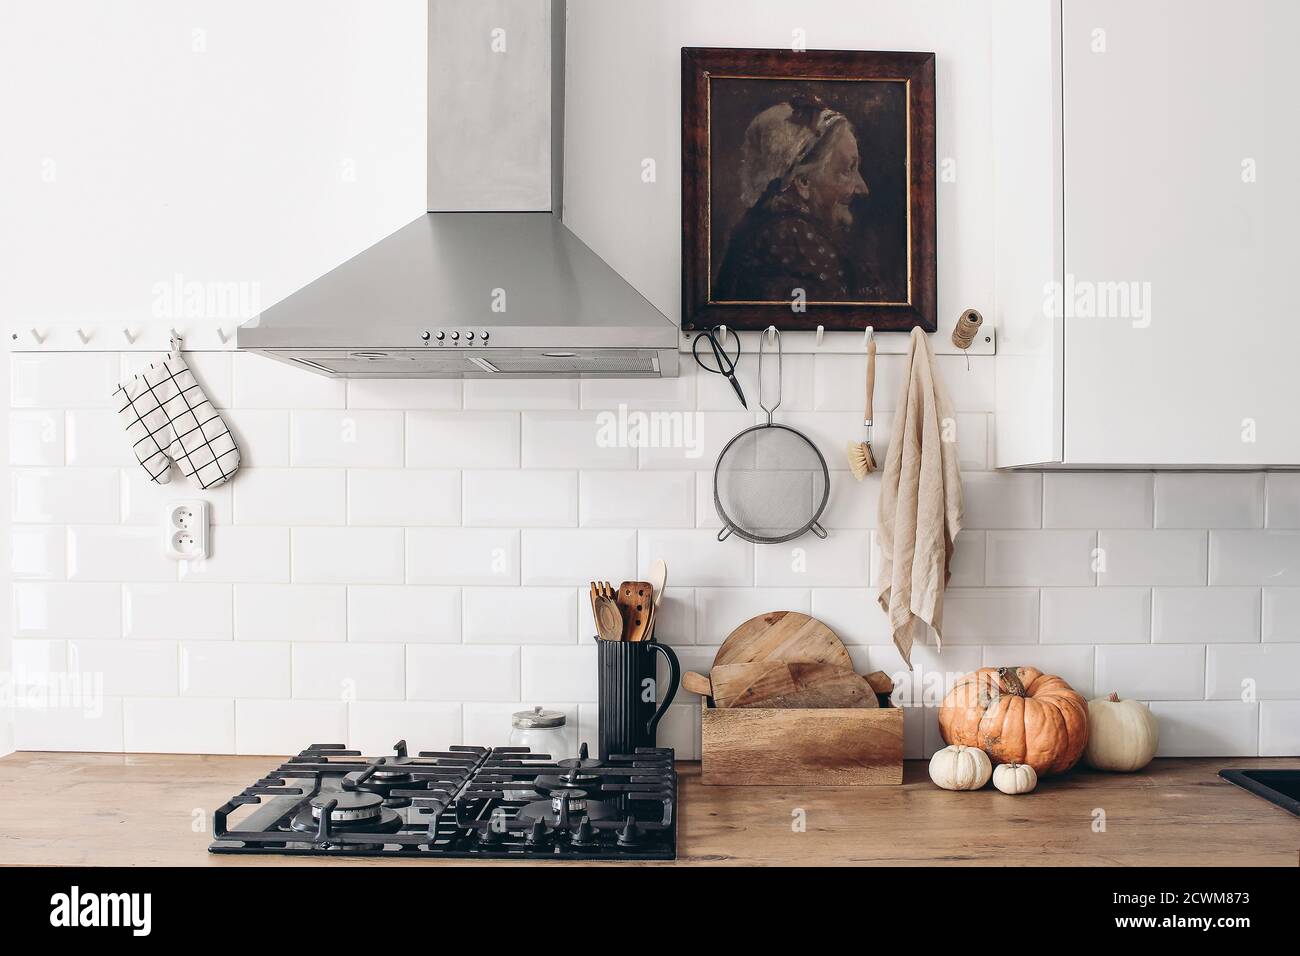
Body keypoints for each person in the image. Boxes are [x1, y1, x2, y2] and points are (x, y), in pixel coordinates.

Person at [716, 95, 873, 302]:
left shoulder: (772, 227)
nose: (863, 188)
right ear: (803, 182)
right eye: (847, 170)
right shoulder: (791, 236)